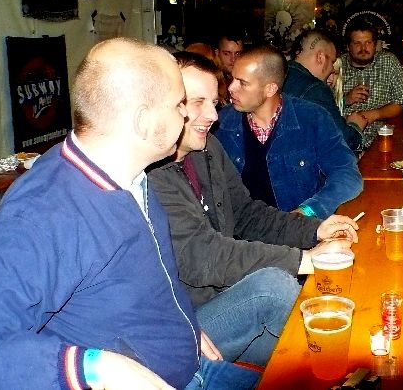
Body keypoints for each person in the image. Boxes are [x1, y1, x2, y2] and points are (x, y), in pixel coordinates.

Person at [0, 38, 257, 389]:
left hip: (194, 361)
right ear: (143, 121)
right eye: (180, 103)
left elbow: (152, 281)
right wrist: (98, 367)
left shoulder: (134, 174)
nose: (187, 114)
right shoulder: (46, 212)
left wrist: (186, 326)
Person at [148, 51, 358, 364]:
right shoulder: (150, 172)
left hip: (223, 299)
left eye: (213, 102)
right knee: (273, 287)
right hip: (180, 325)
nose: (214, 115)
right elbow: (203, 255)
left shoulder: (206, 149)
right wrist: (305, 260)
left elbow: (246, 214)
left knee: (319, 355)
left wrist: (315, 229)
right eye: (197, 102)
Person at [215, 45, 363, 219]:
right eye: (233, 79)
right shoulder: (222, 123)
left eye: (243, 83)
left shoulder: (311, 118)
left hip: (297, 230)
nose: (231, 88)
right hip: (241, 232)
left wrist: (308, 211)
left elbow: (347, 175)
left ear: (270, 88)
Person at [282, 29, 366, 151]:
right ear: (320, 57)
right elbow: (343, 141)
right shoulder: (315, 89)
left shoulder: (278, 74)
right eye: (332, 61)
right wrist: (355, 125)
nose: (332, 68)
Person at [339, 22, 403, 148]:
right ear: (348, 46)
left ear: (375, 45)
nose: (363, 48)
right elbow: (322, 106)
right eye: (357, 43)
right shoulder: (337, 65)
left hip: (380, 138)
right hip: (343, 139)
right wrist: (346, 99)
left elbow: (400, 102)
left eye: (368, 42)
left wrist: (374, 114)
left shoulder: (388, 61)